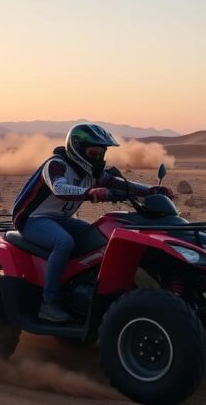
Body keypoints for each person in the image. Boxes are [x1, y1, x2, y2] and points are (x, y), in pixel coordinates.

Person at [12, 123, 174, 323]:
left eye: (101, 154)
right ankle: (49, 303)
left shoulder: (92, 173)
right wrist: (89, 193)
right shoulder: (56, 164)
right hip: (33, 219)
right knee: (64, 243)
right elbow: (59, 188)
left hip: (62, 219)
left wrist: (151, 190)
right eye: (94, 153)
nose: (98, 159)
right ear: (78, 149)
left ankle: (81, 291)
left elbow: (123, 185)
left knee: (100, 238)